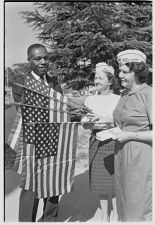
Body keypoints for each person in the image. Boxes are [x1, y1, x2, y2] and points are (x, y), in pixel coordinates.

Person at [10, 44, 64, 222]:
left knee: (53, 182)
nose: (43, 62)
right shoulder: (20, 84)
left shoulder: (55, 82)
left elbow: (62, 109)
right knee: (31, 185)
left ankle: (49, 219)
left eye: (46, 58)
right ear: (29, 60)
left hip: (54, 139)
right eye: (37, 58)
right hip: (32, 141)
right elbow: (25, 112)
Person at [112, 49, 152, 221]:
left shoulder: (149, 94)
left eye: (125, 72)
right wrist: (102, 120)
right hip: (120, 156)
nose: (119, 75)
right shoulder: (124, 94)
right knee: (124, 203)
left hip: (140, 158)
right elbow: (123, 121)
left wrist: (130, 136)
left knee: (137, 207)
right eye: (119, 70)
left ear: (138, 72)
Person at [81, 62, 120, 222]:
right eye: (95, 77)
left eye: (100, 78)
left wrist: (108, 120)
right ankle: (105, 215)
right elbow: (85, 124)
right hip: (96, 141)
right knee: (100, 182)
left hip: (113, 140)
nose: (96, 81)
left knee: (115, 181)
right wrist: (87, 122)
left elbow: (122, 122)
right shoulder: (89, 100)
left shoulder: (118, 99)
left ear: (110, 81)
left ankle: (116, 214)